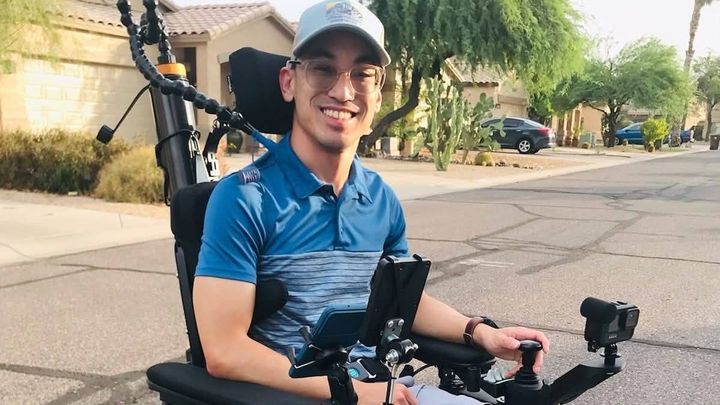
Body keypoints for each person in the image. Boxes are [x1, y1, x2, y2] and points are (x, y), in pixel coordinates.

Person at [193, 1, 549, 404]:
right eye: (323, 69)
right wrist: (359, 394)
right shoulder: (244, 199)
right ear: (289, 82)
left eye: (362, 74)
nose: (343, 91)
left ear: (377, 95)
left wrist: (479, 332)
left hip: (383, 387)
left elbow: (401, 305)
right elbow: (225, 351)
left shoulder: (380, 198)